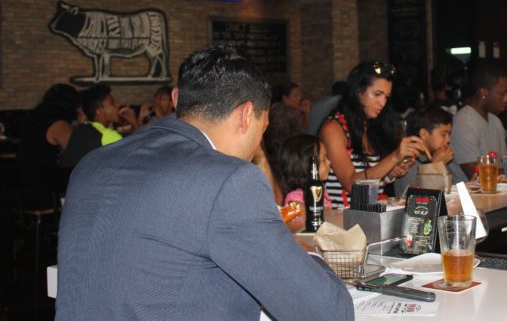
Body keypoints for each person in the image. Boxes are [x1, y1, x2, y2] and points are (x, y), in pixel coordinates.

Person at [56, 46, 353, 320]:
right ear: (247, 115)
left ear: (176, 99)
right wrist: (300, 251)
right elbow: (328, 312)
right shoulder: (228, 180)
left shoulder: (92, 163)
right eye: (261, 131)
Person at [319, 61, 423, 208]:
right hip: (343, 218)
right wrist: (393, 157)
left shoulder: (370, 125)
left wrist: (390, 174)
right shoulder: (333, 129)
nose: (382, 102)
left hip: (369, 214)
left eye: (386, 96)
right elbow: (352, 185)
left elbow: (371, 179)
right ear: (357, 91)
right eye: (377, 94)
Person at [16, 83, 79, 209]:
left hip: (21, 190)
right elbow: (77, 152)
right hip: (46, 194)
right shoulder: (59, 125)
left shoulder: (33, 121)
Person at [449, 63, 507, 179]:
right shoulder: (463, 124)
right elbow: (478, 176)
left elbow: (504, 165)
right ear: (484, 93)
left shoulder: (495, 121)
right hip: (468, 196)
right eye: (502, 94)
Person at [58, 84, 137, 172]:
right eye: (112, 103)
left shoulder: (81, 128)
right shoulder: (107, 136)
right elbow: (136, 160)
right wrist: (135, 123)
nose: (117, 106)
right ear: (99, 112)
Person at [392, 105, 467, 197]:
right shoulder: (409, 161)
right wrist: (435, 165)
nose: (448, 139)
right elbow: (415, 198)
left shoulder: (443, 155)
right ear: (424, 134)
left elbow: (459, 186)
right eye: (443, 134)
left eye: (449, 134)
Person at [268, 134, 333, 231]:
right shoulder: (295, 197)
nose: (329, 162)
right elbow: (294, 221)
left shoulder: (320, 190)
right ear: (307, 166)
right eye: (324, 159)